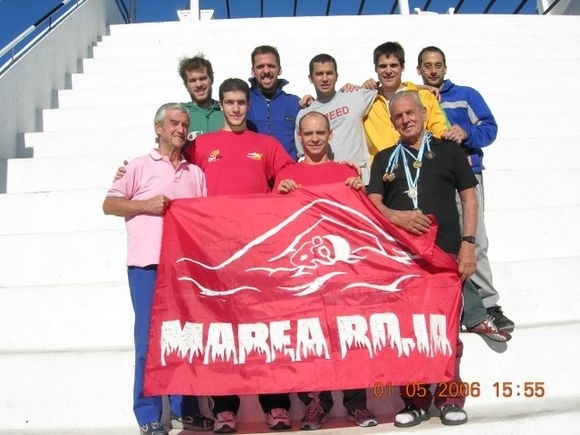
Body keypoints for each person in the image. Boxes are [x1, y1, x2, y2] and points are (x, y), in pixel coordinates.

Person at [367, 91, 497, 428]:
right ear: (392, 121)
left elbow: (469, 199)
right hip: (403, 262)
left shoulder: (449, 151)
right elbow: (372, 204)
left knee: (447, 331)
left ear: (424, 113)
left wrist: (469, 244)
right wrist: (396, 216)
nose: (406, 119)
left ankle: (450, 398)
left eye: (411, 112)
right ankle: (415, 401)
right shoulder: (384, 159)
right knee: (410, 333)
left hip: (445, 256)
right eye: (399, 116)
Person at [183, 78, 296, 433]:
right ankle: (224, 410)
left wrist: (283, 186)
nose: (235, 108)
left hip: (258, 248)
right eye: (229, 102)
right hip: (214, 249)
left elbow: (289, 173)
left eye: (241, 102)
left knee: (265, 326)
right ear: (221, 105)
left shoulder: (265, 144)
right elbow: (174, 169)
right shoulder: (201, 145)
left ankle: (276, 406)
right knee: (221, 328)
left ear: (248, 104)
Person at [102, 103, 213, 435]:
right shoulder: (137, 166)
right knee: (148, 342)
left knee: (185, 338)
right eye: (173, 123)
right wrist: (146, 205)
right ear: (158, 128)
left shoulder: (196, 174)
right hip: (147, 265)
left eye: (184, 124)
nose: (180, 129)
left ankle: (185, 410)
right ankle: (148, 414)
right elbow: (109, 204)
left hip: (184, 268)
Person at [278, 111, 378, 430]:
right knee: (310, 341)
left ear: (330, 135)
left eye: (320, 132)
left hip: (342, 271)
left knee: (350, 336)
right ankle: (315, 404)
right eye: (308, 133)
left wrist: (360, 192)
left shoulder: (345, 172)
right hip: (305, 273)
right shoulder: (286, 175)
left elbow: (365, 220)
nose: (315, 138)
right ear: (299, 137)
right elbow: (273, 222)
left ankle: (356, 405)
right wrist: (280, 196)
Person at [417, 45, 514, 332]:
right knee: (443, 243)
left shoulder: (466, 95)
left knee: (474, 239)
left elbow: (490, 128)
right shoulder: (416, 96)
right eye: (427, 65)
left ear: (445, 67)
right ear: (419, 69)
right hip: (434, 179)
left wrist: (466, 132)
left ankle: (488, 303)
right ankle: (457, 306)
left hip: (467, 174)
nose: (433, 70)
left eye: (438, 65)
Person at [295, 53, 377, 184]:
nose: (325, 78)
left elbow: (393, 89)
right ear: (311, 78)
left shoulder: (355, 96)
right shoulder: (304, 114)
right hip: (326, 182)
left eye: (329, 73)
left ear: (337, 76)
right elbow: (302, 155)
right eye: (319, 74)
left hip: (359, 179)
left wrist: (369, 83)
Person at [363, 41, 450, 156]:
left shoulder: (425, 97)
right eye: (383, 66)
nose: (388, 71)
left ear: (402, 67)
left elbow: (441, 133)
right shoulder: (367, 102)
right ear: (376, 69)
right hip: (383, 165)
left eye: (393, 65)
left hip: (422, 162)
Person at [247, 45, 301, 160]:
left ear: (279, 70)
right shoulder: (242, 101)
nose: (266, 71)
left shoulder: (295, 103)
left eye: (271, 66)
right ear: (253, 71)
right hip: (254, 168)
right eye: (260, 66)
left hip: (287, 168)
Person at [178, 55, 224, 138]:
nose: (198, 84)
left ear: (212, 79)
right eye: (192, 80)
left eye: (202, 78)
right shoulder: (179, 114)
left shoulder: (227, 112)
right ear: (185, 85)